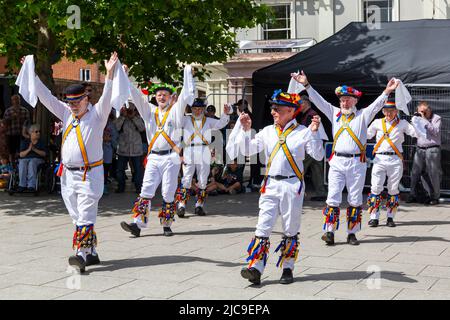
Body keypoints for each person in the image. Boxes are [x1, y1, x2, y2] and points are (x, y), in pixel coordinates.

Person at [17, 52, 121, 273]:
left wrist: (110, 73)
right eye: (70, 101)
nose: (72, 105)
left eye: (77, 101)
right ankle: (91, 252)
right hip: (67, 175)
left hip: (90, 175)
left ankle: (81, 255)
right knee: (76, 216)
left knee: (85, 214)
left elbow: (108, 96)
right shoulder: (66, 114)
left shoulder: (98, 115)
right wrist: (31, 74)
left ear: (87, 99)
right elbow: (46, 97)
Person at [292, 71, 399, 246]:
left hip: (357, 163)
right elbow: (319, 101)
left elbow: (377, 104)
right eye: (342, 99)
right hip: (337, 162)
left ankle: (352, 233)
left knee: (355, 199)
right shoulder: (334, 113)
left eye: (348, 99)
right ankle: (329, 232)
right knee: (332, 197)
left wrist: (387, 91)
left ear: (355, 101)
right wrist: (306, 85)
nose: (344, 102)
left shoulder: (363, 115)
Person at [228, 89, 324, 285]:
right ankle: (256, 267)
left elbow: (318, 155)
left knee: (290, 227)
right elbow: (247, 150)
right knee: (263, 226)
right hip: (270, 184)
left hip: (292, 184)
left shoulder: (303, 132)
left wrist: (314, 133)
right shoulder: (267, 131)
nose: (273, 112)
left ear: (290, 111)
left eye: (277, 109)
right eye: (272, 108)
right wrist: (246, 130)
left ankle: (287, 267)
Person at [120, 64, 195, 237]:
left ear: (170, 97)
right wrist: (125, 75)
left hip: (171, 157)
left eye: (165, 95)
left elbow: (185, 95)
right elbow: (136, 96)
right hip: (153, 157)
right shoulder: (149, 111)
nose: (161, 97)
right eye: (159, 94)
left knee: (168, 191)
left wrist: (187, 73)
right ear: (155, 97)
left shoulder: (176, 112)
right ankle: (137, 224)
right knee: (146, 189)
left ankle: (167, 224)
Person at [366, 97, 419, 227]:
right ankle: (374, 217)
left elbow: (416, 133)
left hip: (395, 159)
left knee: (393, 189)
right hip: (379, 159)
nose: (388, 113)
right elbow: (366, 135)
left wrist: (418, 122)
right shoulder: (377, 122)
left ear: (396, 111)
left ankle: (390, 217)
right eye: (386, 110)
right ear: (383, 111)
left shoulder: (403, 124)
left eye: (391, 110)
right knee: (375, 187)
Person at [176, 98, 231, 217]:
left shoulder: (209, 120)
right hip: (189, 150)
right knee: (186, 178)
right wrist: (177, 103)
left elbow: (221, 124)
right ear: (191, 109)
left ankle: (199, 206)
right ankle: (181, 205)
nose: (197, 111)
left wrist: (225, 113)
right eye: (195, 109)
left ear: (203, 109)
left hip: (204, 150)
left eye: (200, 109)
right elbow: (175, 118)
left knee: (203, 180)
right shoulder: (185, 119)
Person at [407, 101, 442, 205]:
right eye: (420, 111)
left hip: (432, 149)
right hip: (419, 148)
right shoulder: (417, 118)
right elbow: (413, 132)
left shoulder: (436, 118)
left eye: (424, 111)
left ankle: (435, 197)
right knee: (414, 172)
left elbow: (435, 132)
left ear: (429, 110)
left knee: (433, 173)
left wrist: (424, 120)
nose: (422, 113)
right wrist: (414, 121)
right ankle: (412, 194)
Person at [297, 92, 328, 201]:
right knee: (316, 170)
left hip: (311, 146)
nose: (298, 105)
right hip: (315, 146)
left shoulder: (311, 114)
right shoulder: (309, 114)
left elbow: (307, 131)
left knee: (299, 168)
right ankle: (321, 193)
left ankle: (296, 191)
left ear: (305, 103)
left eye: (299, 102)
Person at [114, 103, 145, 194]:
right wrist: (123, 117)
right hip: (123, 149)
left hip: (136, 149)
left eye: (130, 110)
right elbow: (116, 127)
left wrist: (133, 117)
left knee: (138, 170)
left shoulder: (138, 119)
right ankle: (121, 187)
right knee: (120, 170)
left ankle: (139, 187)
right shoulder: (120, 119)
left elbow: (142, 128)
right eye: (127, 110)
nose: (128, 112)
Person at [17, 124, 47, 192]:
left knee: (32, 162)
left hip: (38, 159)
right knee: (22, 162)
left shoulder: (41, 142)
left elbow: (44, 154)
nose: (38, 133)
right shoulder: (25, 142)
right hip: (25, 159)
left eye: (39, 131)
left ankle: (31, 185)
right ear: (31, 133)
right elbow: (21, 155)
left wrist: (34, 149)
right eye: (36, 131)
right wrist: (29, 149)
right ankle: (22, 185)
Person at [3, 95, 30, 163]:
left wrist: (19, 117)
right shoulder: (8, 111)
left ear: (20, 100)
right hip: (11, 135)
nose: (16, 101)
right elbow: (4, 124)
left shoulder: (25, 111)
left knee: (21, 151)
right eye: (14, 100)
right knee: (11, 152)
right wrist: (11, 118)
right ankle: (12, 166)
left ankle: (19, 166)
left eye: (17, 99)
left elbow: (28, 124)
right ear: (12, 101)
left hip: (22, 135)